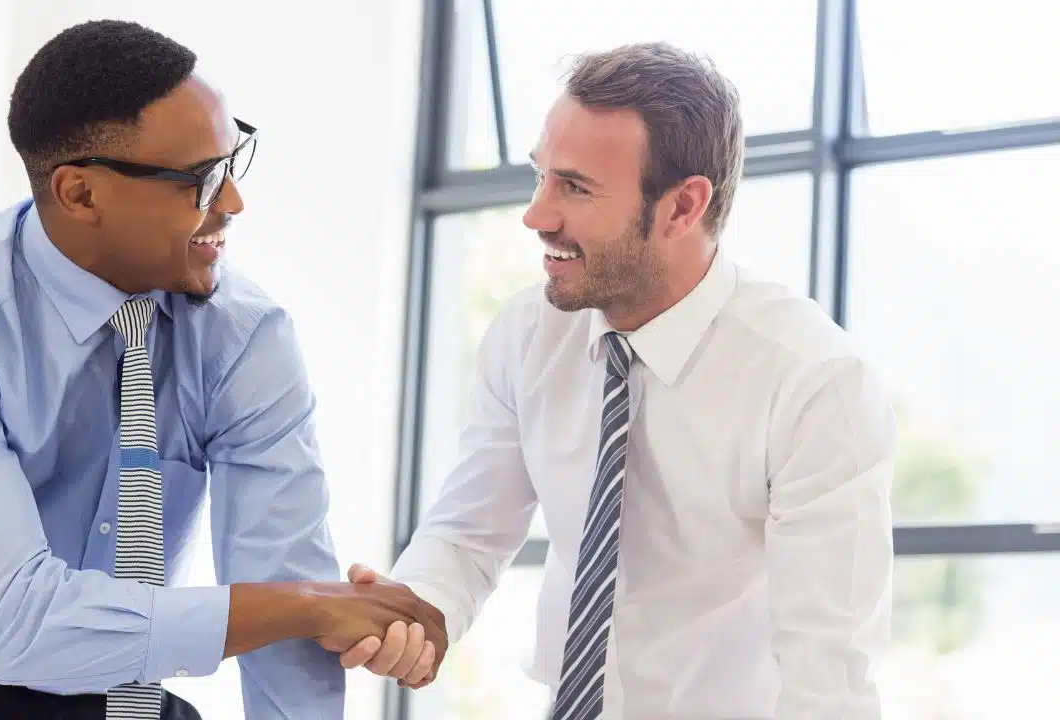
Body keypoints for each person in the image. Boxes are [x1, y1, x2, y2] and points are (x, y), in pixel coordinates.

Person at [0, 19, 446, 720]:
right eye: (201, 181)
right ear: (80, 194)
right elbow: (17, 624)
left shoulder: (244, 334)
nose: (233, 203)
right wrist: (305, 604)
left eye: (233, 162)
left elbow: (288, 612)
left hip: (120, 692)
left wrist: (308, 609)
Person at [342, 42, 896, 718]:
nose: (536, 215)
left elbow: (829, 669)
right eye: (541, 176)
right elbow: (470, 531)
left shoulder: (813, 380)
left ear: (683, 206)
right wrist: (414, 613)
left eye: (574, 188)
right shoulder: (528, 332)